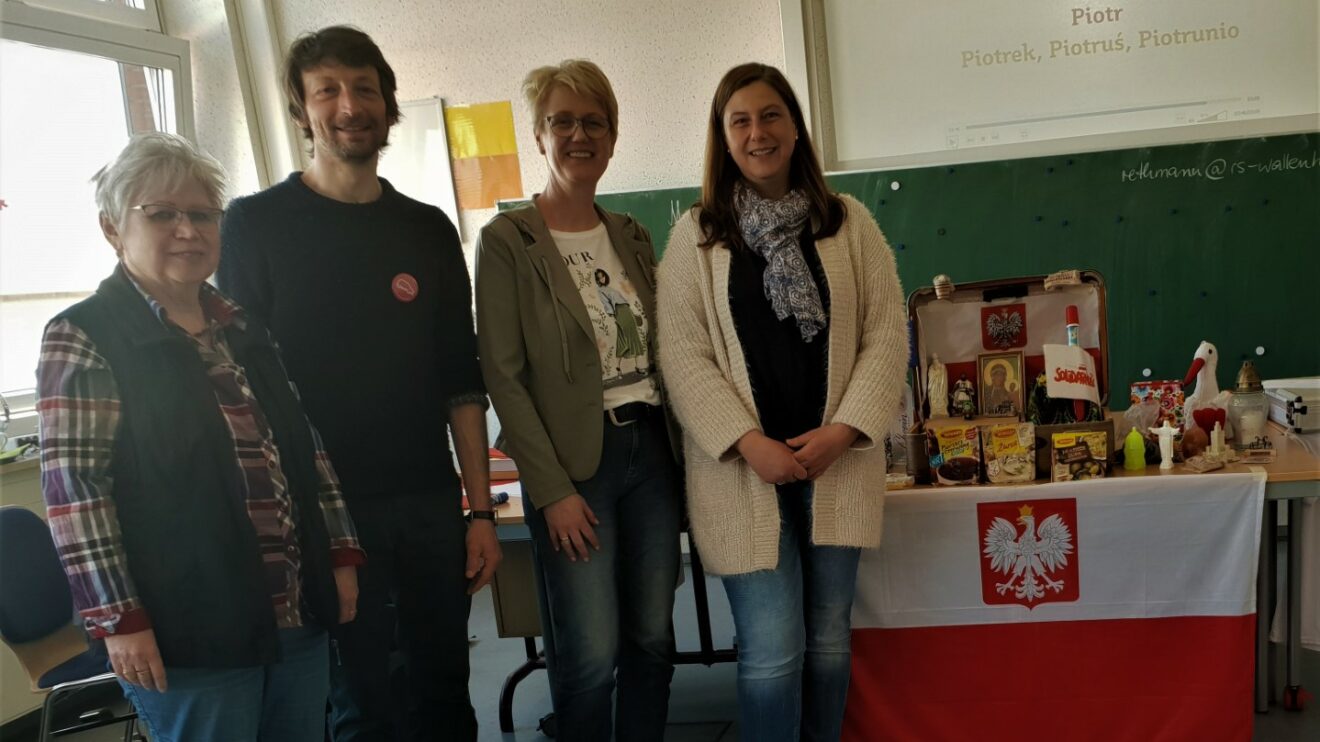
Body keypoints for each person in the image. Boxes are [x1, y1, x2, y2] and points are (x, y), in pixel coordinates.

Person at [217, 26, 499, 741]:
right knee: (363, 700)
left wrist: (479, 512)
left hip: (430, 502)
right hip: (325, 513)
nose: (350, 105)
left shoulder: (428, 229)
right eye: (328, 91)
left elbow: (459, 380)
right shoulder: (251, 226)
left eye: (364, 88)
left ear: (387, 104)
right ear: (302, 109)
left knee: (445, 685)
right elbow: (241, 390)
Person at [36, 133, 363, 742]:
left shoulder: (241, 326)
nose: (188, 229)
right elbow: (77, 496)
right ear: (113, 228)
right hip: (189, 628)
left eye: (203, 214)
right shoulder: (84, 335)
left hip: (293, 609)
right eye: (162, 214)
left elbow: (305, 447)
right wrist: (119, 619)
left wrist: (340, 554)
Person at [656, 63, 907, 741]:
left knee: (827, 646)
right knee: (771, 653)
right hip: (743, 477)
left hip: (838, 466)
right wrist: (748, 443)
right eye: (740, 120)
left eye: (771, 115)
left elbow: (887, 336)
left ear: (795, 128)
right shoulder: (696, 237)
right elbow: (683, 358)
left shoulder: (849, 224)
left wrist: (844, 431)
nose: (757, 132)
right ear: (723, 137)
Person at [474, 59, 682, 742]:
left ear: (613, 137)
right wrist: (552, 489)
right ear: (539, 135)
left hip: (648, 451)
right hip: (573, 469)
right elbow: (503, 376)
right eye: (562, 121)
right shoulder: (508, 241)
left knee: (651, 639)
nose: (578, 134)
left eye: (594, 121)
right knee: (589, 656)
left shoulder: (632, 235)